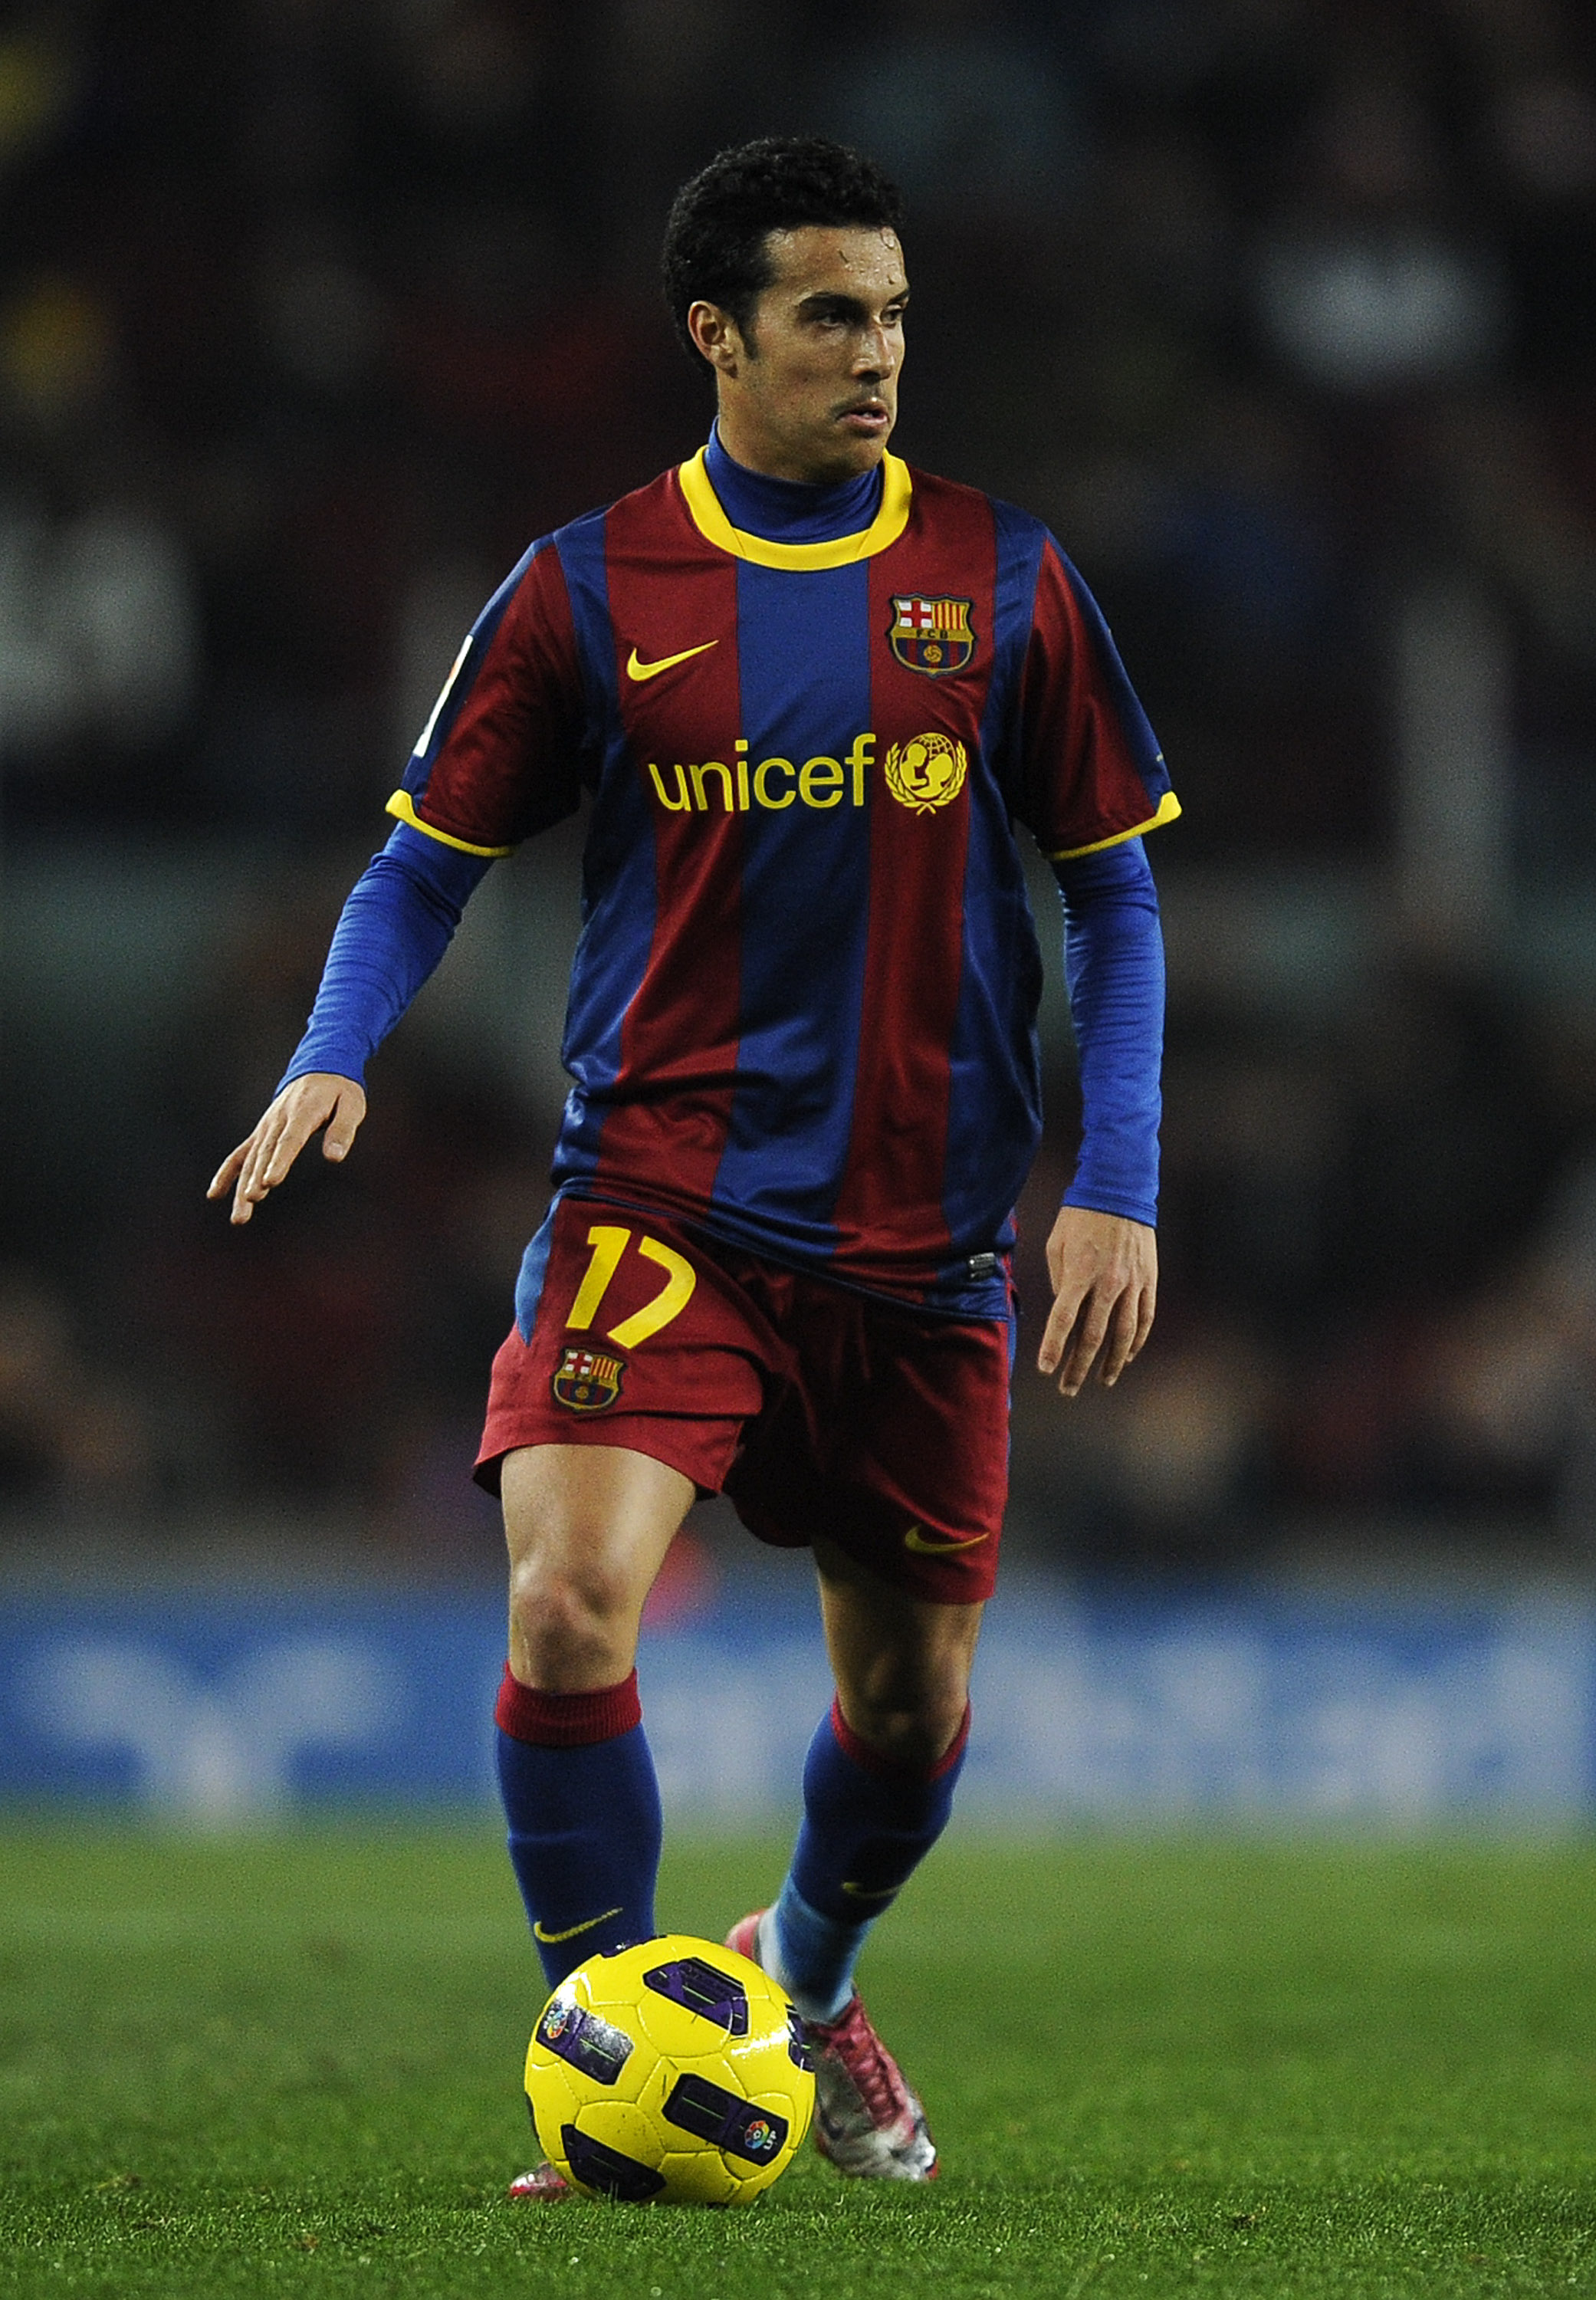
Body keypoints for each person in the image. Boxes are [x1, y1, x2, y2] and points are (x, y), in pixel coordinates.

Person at [209, 136, 1176, 2194]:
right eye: (833, 314)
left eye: (895, 314)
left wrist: (1118, 1176)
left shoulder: (1005, 575)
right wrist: (330, 1056)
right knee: (566, 1610)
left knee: (906, 1724)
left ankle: (801, 1985)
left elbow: (1118, 900)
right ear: (716, 335)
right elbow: (418, 866)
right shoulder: (586, 585)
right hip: (664, 1204)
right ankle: (606, 2040)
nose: (877, 353)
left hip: (925, 1246)